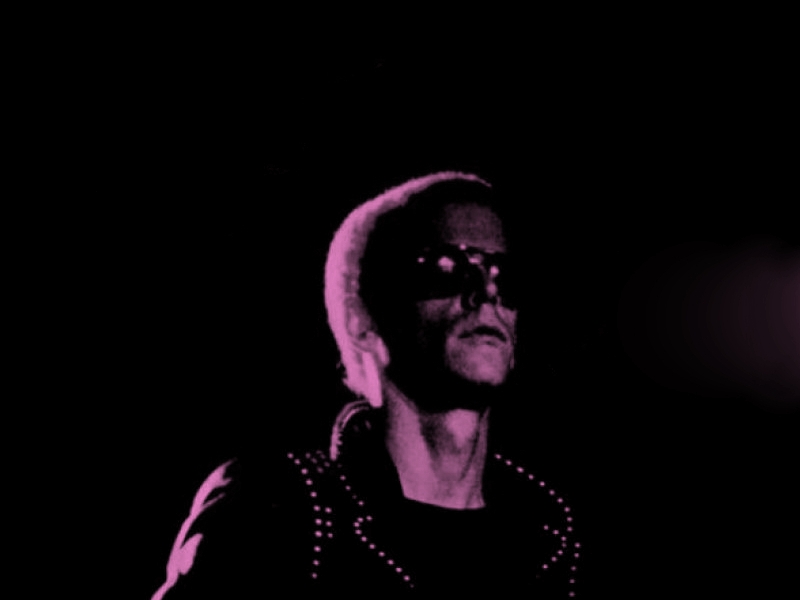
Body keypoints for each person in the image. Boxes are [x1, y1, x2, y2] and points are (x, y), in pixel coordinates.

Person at [152, 172, 581, 598]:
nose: (485, 293)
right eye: (446, 268)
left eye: (505, 276)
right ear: (362, 320)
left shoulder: (555, 538)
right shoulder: (277, 507)